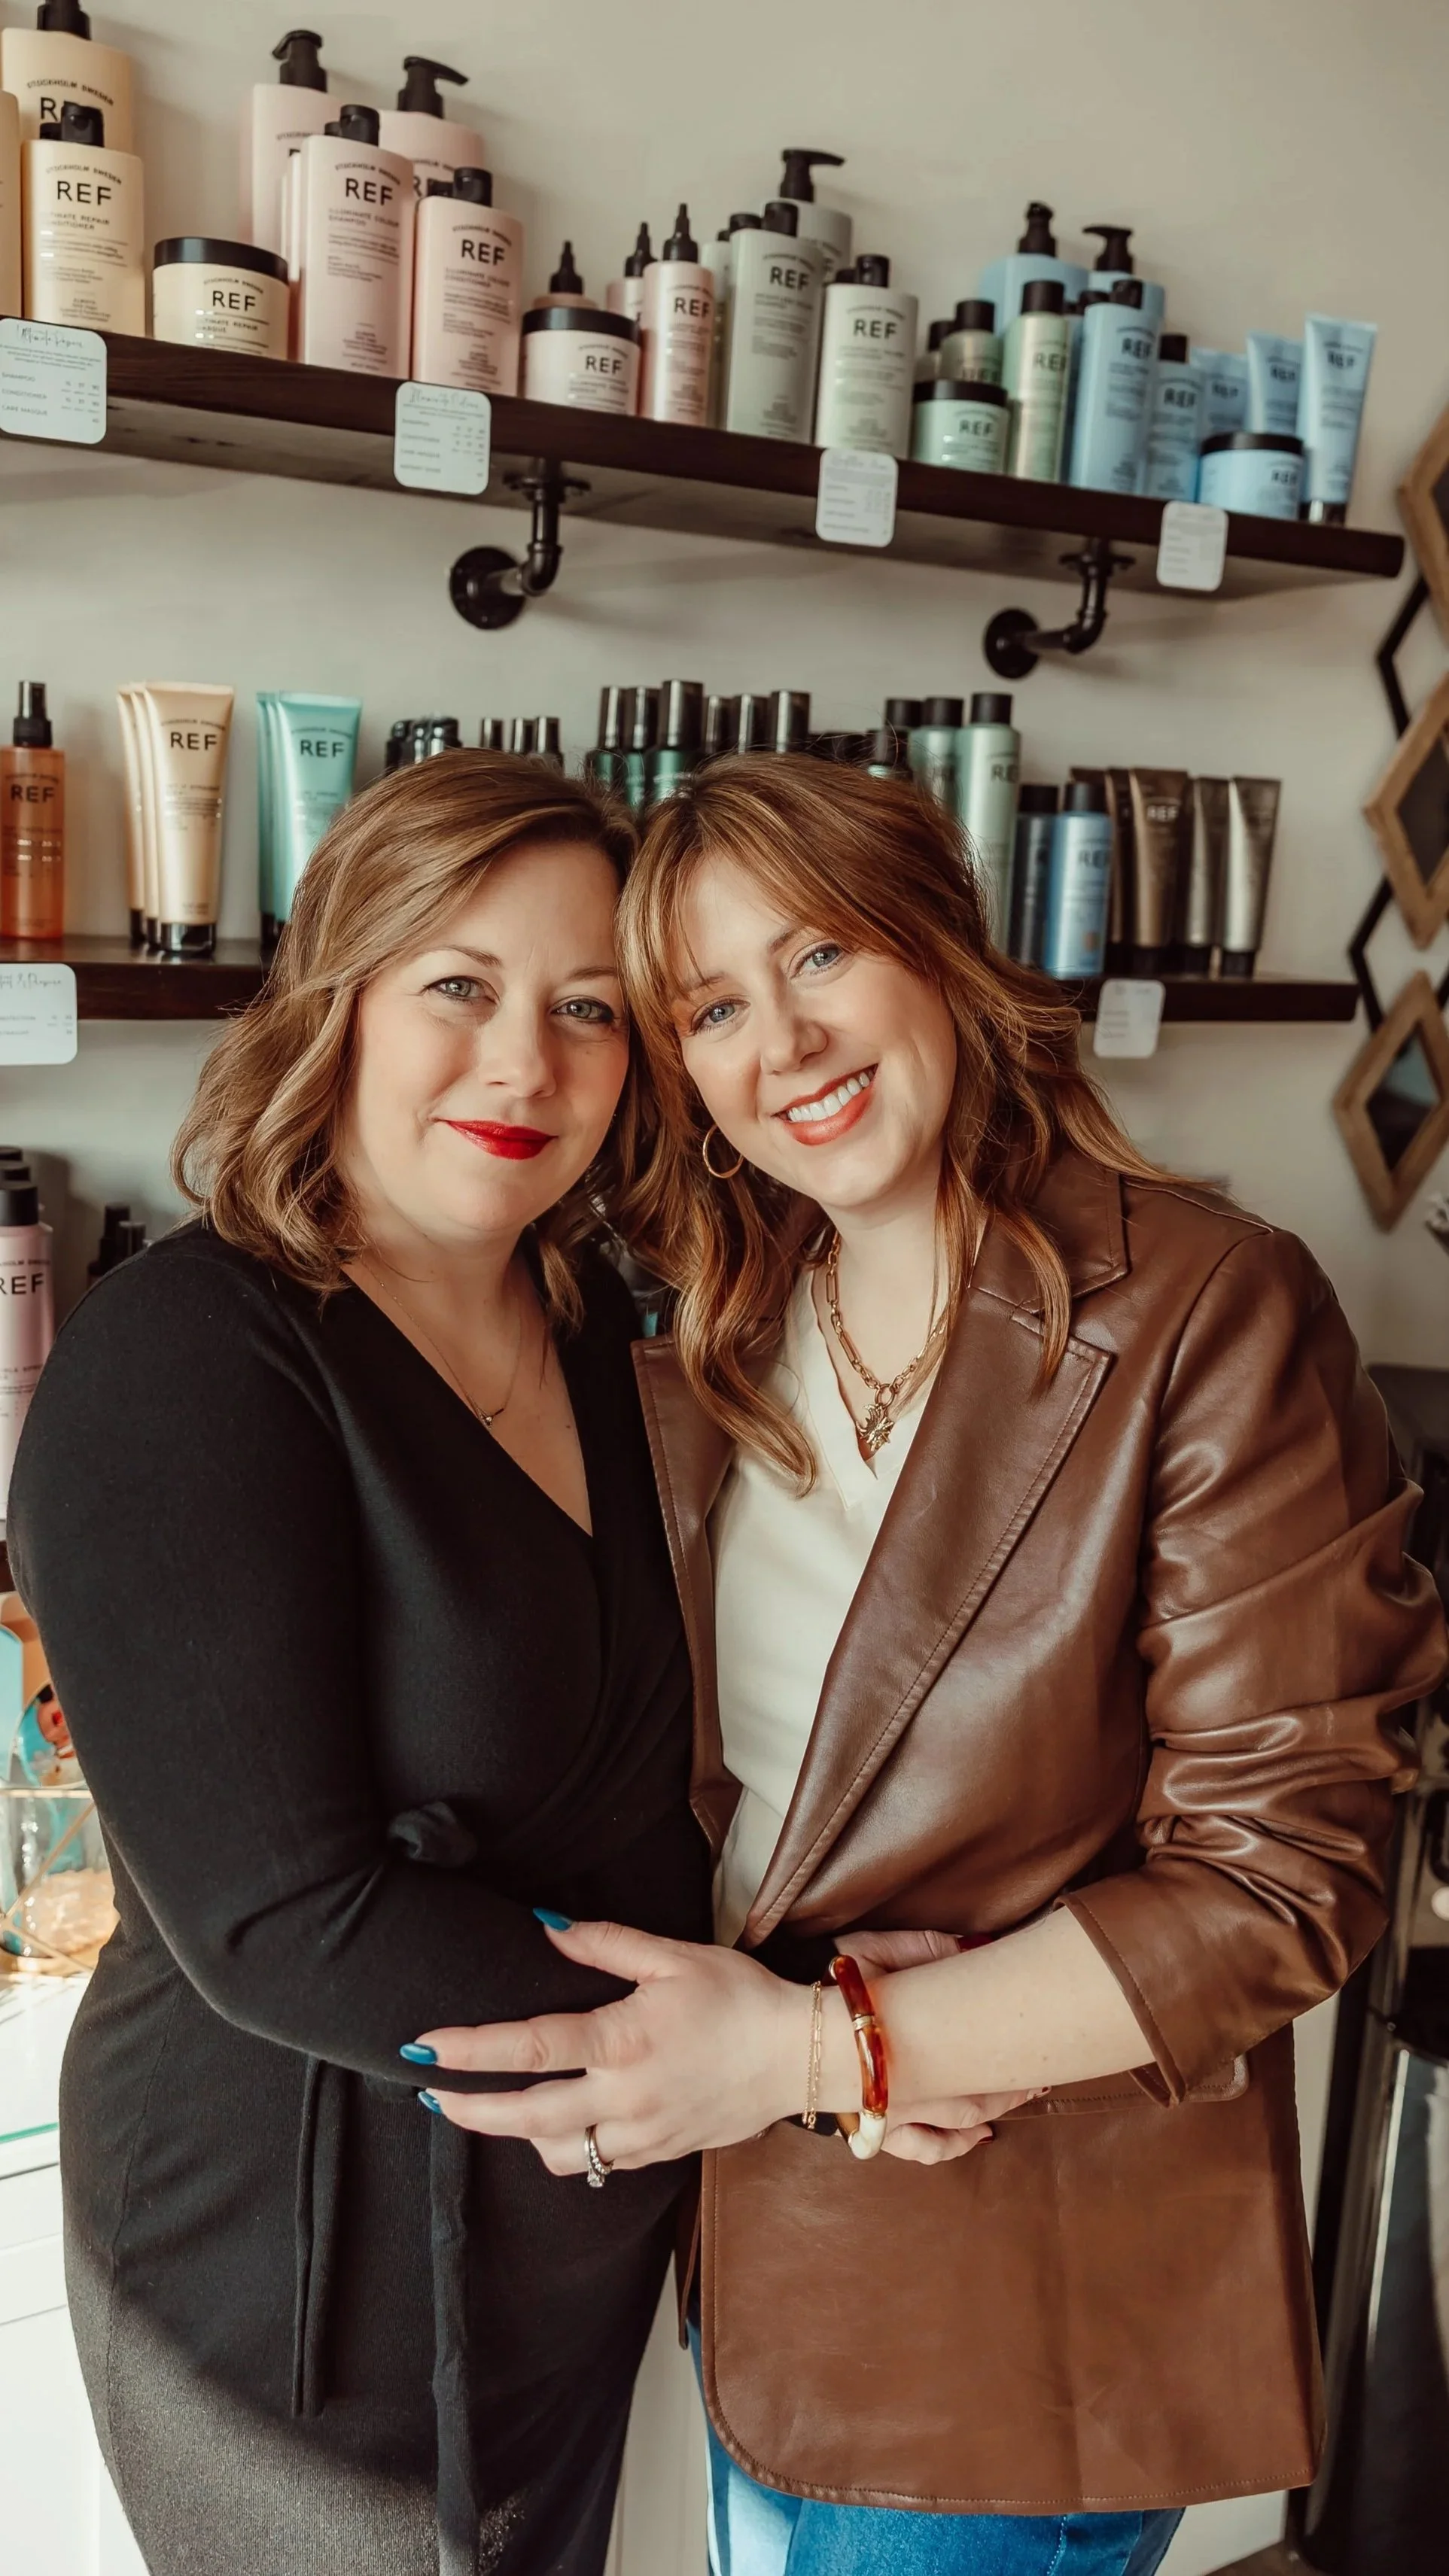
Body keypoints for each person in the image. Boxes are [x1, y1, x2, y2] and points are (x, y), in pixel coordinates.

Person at [412, 758, 1446, 2576]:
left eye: (819, 954)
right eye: (711, 1008)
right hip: (760, 2255)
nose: (784, 1043)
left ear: (937, 942)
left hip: (1012, 2307)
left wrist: (832, 2044)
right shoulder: (713, 1341)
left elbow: (1284, 1882)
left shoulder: (1207, 1307)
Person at [6, 753, 712, 2576]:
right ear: (338, 998)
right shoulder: (189, 1354)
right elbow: (279, 1919)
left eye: (587, 1008)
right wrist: (744, 2048)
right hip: (295, 2252)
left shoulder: (601, 1330)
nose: (523, 1064)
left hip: (570, 2199)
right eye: (458, 985)